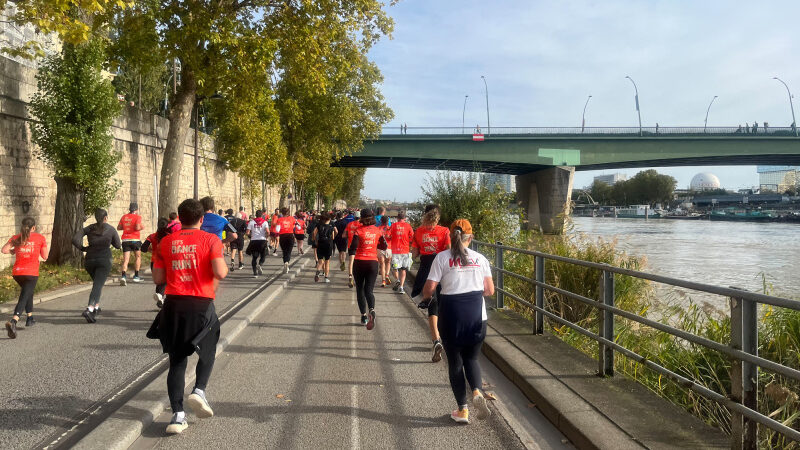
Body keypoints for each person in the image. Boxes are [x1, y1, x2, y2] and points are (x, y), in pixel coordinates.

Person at [151, 198, 228, 435]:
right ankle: (199, 390)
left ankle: (177, 415)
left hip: (173, 304)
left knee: (176, 360)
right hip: (201, 304)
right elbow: (220, 272)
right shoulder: (211, 239)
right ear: (202, 219)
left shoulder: (166, 241)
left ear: (180, 219)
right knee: (209, 348)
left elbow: (158, 279)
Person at [422, 219, 493, 424]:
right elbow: (489, 290)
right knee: (472, 358)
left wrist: (428, 299)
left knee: (455, 362)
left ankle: (463, 410)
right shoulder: (481, 258)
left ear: (450, 236)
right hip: (477, 318)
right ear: (470, 237)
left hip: (452, 316)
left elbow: (429, 289)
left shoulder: (442, 258)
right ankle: (478, 391)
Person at [411, 205, 451, 362]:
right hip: (441, 267)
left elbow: (414, 254)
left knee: (431, 303)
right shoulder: (445, 231)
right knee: (443, 301)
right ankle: (443, 336)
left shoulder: (419, 231)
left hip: (426, 267)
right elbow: (448, 249)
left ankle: (436, 340)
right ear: (438, 217)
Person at [73, 209, 121, 322]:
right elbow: (118, 245)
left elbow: (75, 239)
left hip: (89, 260)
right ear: (106, 218)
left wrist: (83, 248)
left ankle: (96, 307)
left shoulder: (89, 228)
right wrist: (110, 241)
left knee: (97, 284)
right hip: (104, 260)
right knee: (98, 285)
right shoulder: (111, 229)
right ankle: (89, 309)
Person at [2, 217, 47, 339]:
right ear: (34, 227)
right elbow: (45, 256)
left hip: (17, 273)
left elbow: (4, 250)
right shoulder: (40, 238)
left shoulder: (16, 237)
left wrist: (13, 251)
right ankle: (14, 321)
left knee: (28, 293)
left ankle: (30, 318)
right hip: (31, 273)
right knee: (24, 296)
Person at [348, 209, 380, 330]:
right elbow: (383, 245)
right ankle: (371, 308)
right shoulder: (378, 231)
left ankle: (364, 316)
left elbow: (353, 246)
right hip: (373, 263)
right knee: (369, 290)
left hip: (360, 262)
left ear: (361, 218)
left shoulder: (358, 231)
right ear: (372, 217)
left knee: (360, 289)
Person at [142, 218, 171, 308]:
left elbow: (143, 248)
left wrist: (151, 249)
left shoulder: (151, 236)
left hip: (154, 262)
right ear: (167, 226)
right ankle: (160, 295)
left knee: (160, 281)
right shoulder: (170, 236)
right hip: (166, 261)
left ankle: (160, 298)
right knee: (166, 281)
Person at [118, 202, 144, 285]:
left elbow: (119, 228)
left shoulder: (124, 217)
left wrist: (127, 227)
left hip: (125, 240)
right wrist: (142, 227)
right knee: (138, 257)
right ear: (136, 209)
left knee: (126, 260)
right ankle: (136, 276)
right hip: (135, 239)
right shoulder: (138, 217)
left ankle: (123, 276)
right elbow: (137, 227)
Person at [389, 211, 414, 295]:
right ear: (405, 218)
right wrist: (408, 241)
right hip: (405, 250)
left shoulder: (393, 225)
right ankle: (401, 287)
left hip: (395, 251)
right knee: (403, 269)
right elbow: (412, 237)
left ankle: (398, 280)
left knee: (394, 268)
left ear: (397, 218)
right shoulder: (408, 226)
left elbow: (388, 236)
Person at [312, 212, 336, 283]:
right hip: (328, 245)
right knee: (327, 262)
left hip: (320, 243)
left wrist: (315, 240)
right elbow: (333, 237)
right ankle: (326, 278)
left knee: (320, 262)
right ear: (329, 219)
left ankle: (317, 272)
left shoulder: (319, 225)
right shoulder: (331, 227)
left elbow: (314, 233)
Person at [246, 210, 269, 278]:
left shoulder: (251, 222)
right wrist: (266, 237)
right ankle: (260, 264)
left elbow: (247, 232)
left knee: (254, 257)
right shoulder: (265, 222)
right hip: (262, 241)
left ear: (255, 215)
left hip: (254, 241)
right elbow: (268, 232)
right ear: (262, 215)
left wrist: (250, 236)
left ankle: (255, 273)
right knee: (263, 255)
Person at [274, 207, 296, 273]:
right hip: (290, 235)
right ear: (288, 212)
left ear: (281, 213)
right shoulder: (292, 218)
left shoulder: (279, 219)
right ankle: (287, 262)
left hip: (283, 236)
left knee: (284, 251)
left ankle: (285, 262)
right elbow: (295, 226)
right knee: (289, 251)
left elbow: (277, 230)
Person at [377, 215, 392, 287]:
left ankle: (383, 281)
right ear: (387, 221)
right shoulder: (390, 228)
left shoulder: (378, 228)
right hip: (389, 248)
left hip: (380, 248)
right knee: (388, 262)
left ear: (381, 221)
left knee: (382, 264)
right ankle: (387, 275)